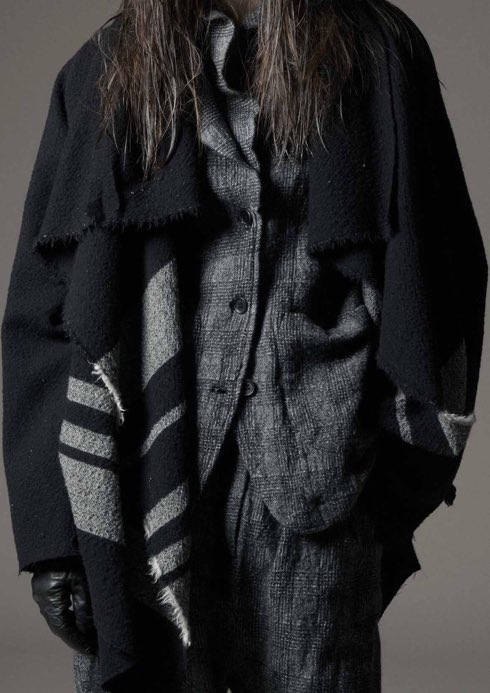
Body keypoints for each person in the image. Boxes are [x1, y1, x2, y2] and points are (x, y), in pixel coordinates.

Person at [2, 1, 487, 691]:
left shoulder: (376, 54)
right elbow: (46, 303)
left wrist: (384, 492)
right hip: (146, 486)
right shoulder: (107, 68)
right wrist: (53, 537)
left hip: (316, 498)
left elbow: (441, 283)